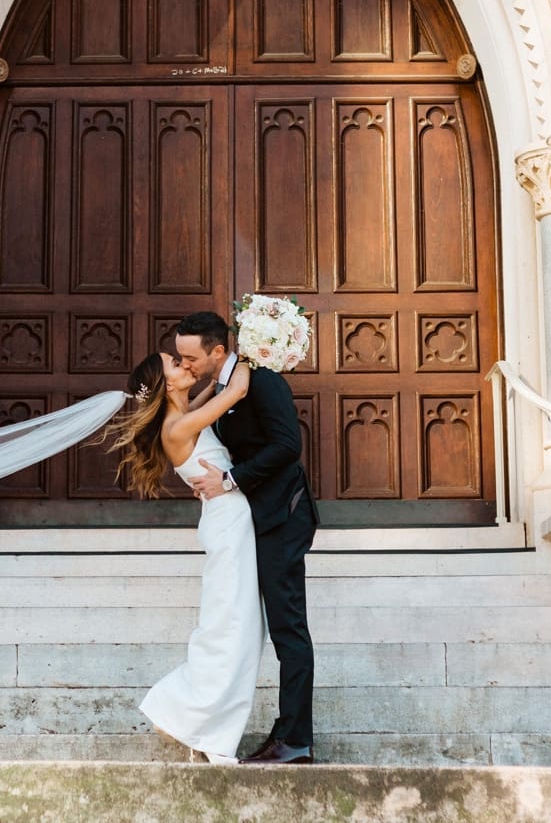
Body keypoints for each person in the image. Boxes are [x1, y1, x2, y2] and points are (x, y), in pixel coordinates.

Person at [176, 310, 318, 765]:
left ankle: (295, 738)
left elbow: (287, 446)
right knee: (271, 626)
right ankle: (286, 732)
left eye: (190, 357)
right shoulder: (224, 385)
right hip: (254, 521)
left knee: (288, 627)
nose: (186, 366)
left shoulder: (262, 380)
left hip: (283, 517)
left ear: (218, 350)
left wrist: (230, 480)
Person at [108, 351, 257, 763]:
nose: (184, 364)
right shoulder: (177, 427)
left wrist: (214, 374)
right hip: (228, 528)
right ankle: (183, 712)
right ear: (167, 384)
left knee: (239, 628)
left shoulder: (183, 413)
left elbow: (214, 390)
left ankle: (199, 720)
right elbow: (238, 388)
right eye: (175, 363)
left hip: (232, 521)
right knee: (230, 628)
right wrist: (253, 349)